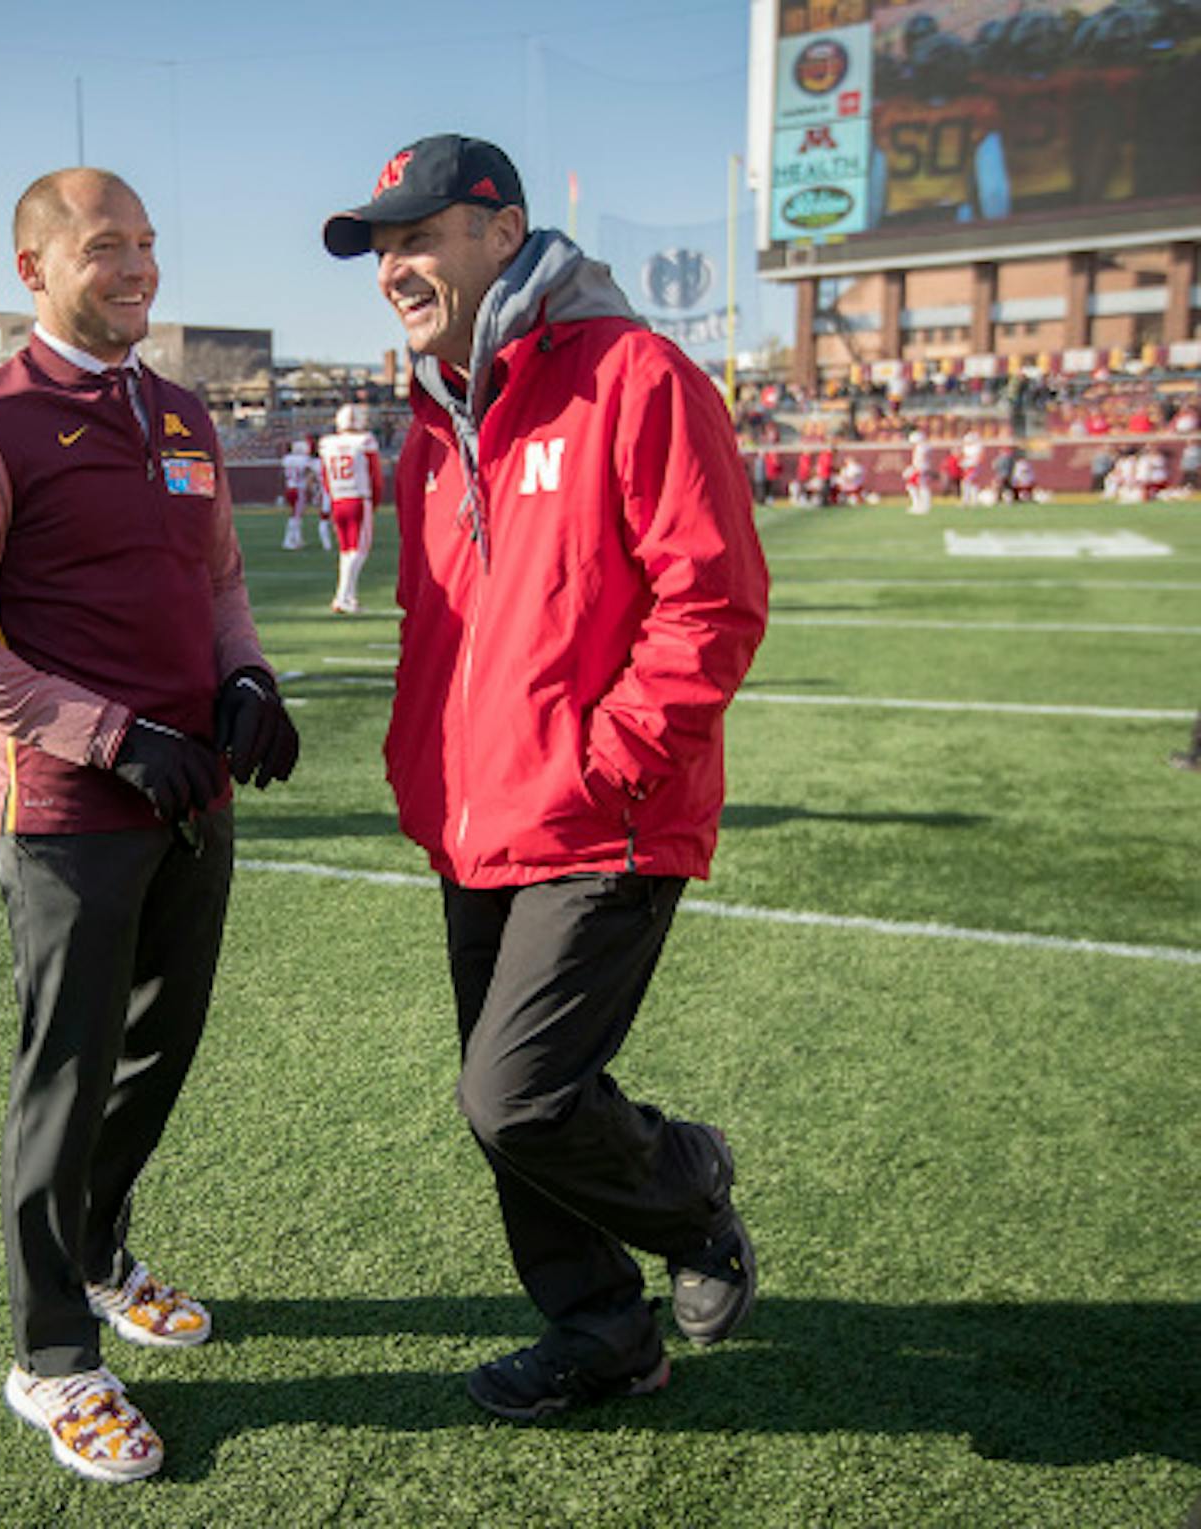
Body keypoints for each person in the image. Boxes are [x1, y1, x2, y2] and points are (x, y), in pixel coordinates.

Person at [322, 134, 768, 1421]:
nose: (394, 267)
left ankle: (690, 1187)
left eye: (419, 237)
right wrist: (420, 770)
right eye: (380, 249)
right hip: (476, 817)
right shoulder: (431, 416)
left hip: (604, 815)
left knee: (514, 1095)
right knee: (509, 1103)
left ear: (502, 232)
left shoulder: (636, 374)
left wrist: (609, 763)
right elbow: (435, 624)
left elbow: (714, 601)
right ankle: (602, 1328)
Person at [0, 166, 300, 1484]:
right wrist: (112, 734)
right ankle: (52, 1354)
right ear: (34, 268)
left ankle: (100, 1252)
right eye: (106, 245)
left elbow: (219, 580)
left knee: (158, 1055)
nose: (137, 268)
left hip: (196, 796)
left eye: (148, 243)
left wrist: (249, 678)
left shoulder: (181, 412)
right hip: (74, 810)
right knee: (63, 1081)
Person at [317, 402, 382, 612]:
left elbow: (325, 476)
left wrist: (331, 497)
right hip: (358, 498)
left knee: (346, 551)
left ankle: (349, 596)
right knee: (359, 551)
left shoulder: (327, 443)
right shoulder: (365, 441)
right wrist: (375, 500)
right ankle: (342, 596)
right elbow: (375, 475)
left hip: (338, 499)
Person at [278, 435, 314, 550]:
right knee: (295, 516)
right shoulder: (304, 460)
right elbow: (309, 473)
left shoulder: (287, 459)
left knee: (296, 515)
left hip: (290, 488)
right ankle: (288, 540)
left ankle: (297, 539)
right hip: (298, 489)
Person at [905, 430, 932, 515]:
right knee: (918, 486)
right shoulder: (924, 447)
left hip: (920, 469)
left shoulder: (921, 448)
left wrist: (914, 469)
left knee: (916, 486)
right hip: (920, 468)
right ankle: (920, 505)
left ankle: (920, 505)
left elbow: (920, 460)